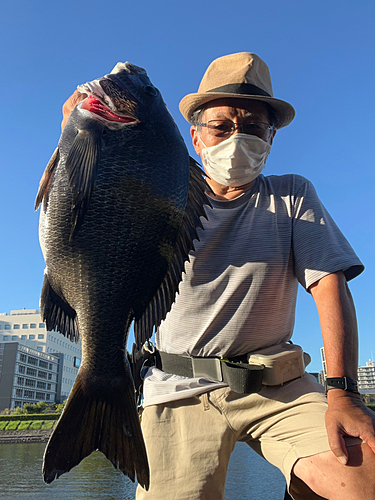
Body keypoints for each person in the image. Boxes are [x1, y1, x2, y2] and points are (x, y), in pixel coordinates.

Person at [62, 53, 375, 500]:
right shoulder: (158, 197)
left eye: (254, 126)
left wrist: (344, 394)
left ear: (271, 138)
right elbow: (81, 213)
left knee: (364, 476)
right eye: (222, 125)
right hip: (174, 388)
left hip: (276, 383)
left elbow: (329, 284)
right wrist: (75, 137)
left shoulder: (292, 195)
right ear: (194, 135)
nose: (237, 136)